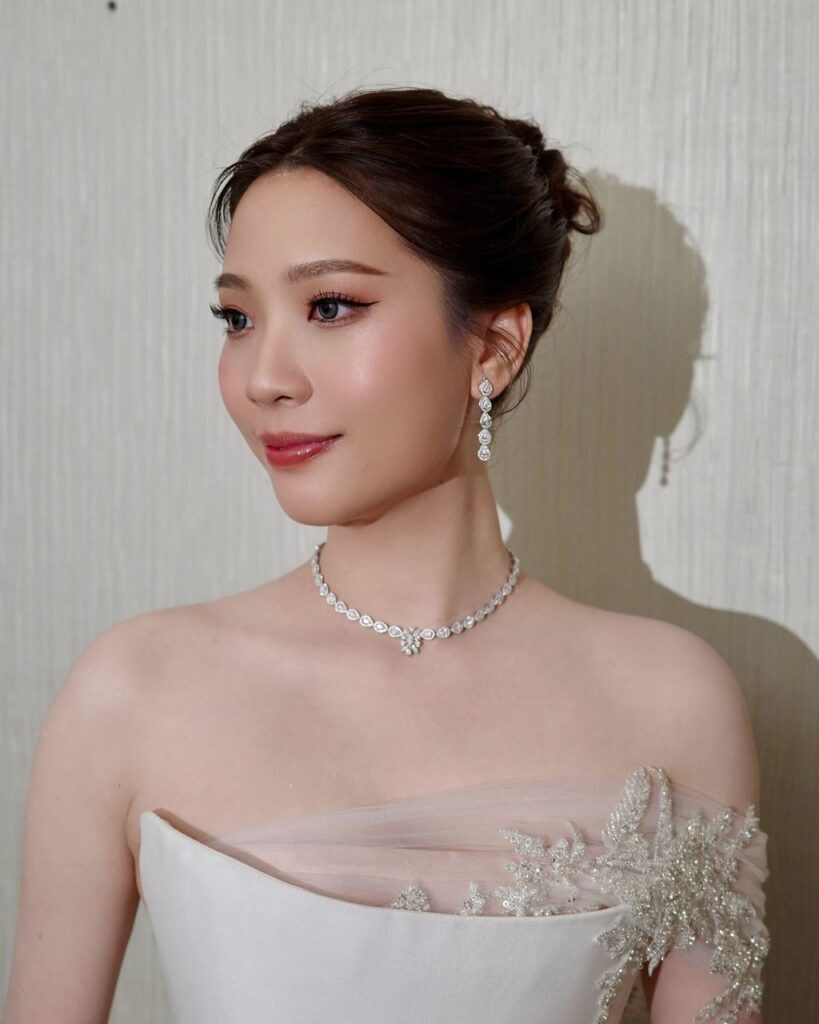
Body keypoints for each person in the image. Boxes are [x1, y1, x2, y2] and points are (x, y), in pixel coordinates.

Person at [2, 85, 769, 1024]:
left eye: (330, 306)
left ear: (493, 346)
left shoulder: (672, 702)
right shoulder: (133, 693)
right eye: (237, 319)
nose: (264, 379)